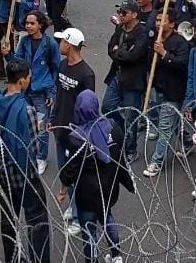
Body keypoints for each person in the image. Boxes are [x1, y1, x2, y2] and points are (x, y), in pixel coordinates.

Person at [0, 59, 51, 263]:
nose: (30, 80)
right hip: (22, 170)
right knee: (37, 217)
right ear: (22, 81)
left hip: (3, 163)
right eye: (29, 78)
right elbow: (30, 145)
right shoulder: (27, 109)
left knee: (8, 216)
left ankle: (12, 258)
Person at [59, 89, 134, 263]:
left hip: (87, 193)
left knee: (89, 229)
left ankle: (91, 260)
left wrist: (63, 190)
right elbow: (119, 156)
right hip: (108, 187)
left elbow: (70, 169)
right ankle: (116, 256)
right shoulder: (113, 127)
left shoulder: (77, 137)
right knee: (107, 218)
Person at [49, 27, 94, 234]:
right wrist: (52, 118)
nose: (59, 45)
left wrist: (82, 132)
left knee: (76, 174)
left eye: (62, 42)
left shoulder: (86, 74)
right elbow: (59, 95)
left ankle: (78, 216)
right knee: (64, 172)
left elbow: (88, 106)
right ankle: (73, 206)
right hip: (59, 127)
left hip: (75, 134)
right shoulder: (62, 65)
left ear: (69, 44)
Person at [4, 11, 58, 173]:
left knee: (41, 127)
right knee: (26, 125)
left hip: (42, 93)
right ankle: (29, 154)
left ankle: (41, 158)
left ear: (40, 25)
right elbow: (18, 63)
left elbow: (55, 69)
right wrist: (8, 55)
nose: (28, 26)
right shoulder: (24, 41)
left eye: (32, 23)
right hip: (25, 90)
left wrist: (52, 92)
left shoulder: (50, 44)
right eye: (27, 23)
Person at [142, 11, 191, 178]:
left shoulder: (180, 42)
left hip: (173, 91)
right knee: (172, 123)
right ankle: (188, 141)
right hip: (158, 87)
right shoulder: (155, 39)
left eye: (162, 20)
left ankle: (157, 161)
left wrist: (164, 54)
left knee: (164, 127)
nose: (158, 23)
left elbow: (182, 65)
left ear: (172, 24)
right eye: (156, 20)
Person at [102, 0, 150, 163]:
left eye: (124, 12)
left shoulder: (142, 32)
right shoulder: (120, 28)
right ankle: (120, 131)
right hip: (117, 75)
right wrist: (120, 54)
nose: (120, 15)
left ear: (134, 15)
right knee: (107, 107)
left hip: (133, 81)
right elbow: (110, 48)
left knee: (131, 116)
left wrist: (119, 53)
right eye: (120, 12)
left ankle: (131, 149)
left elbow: (134, 56)